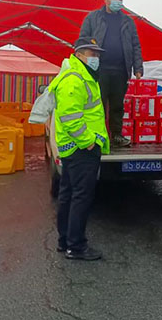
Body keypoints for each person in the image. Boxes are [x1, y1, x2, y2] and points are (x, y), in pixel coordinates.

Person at [50, 37, 110, 261]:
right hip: (81, 147)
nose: (96, 58)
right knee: (81, 197)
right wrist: (88, 141)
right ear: (79, 54)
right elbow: (70, 117)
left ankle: (65, 240)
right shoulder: (74, 79)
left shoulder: (82, 76)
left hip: (75, 147)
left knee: (68, 193)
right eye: (92, 54)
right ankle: (76, 246)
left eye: (98, 54)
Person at [79, 0, 143, 148]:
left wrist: (138, 67)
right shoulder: (93, 18)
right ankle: (97, 136)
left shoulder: (128, 21)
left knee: (117, 105)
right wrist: (85, 63)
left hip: (121, 70)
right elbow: (82, 42)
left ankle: (117, 135)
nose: (118, 1)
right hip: (98, 70)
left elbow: (135, 45)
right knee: (96, 105)